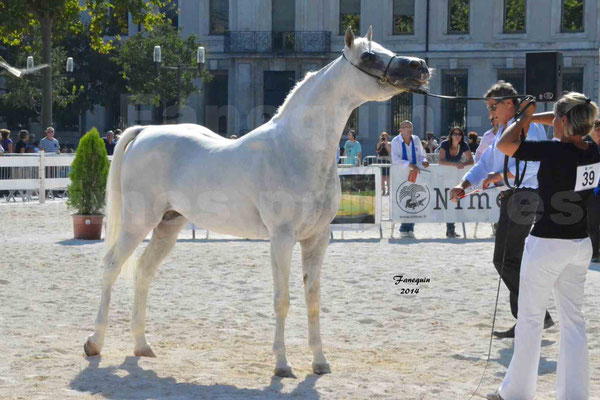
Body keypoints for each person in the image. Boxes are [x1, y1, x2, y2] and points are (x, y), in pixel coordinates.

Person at [487, 93, 598, 400]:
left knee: (531, 318)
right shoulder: (593, 149)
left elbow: (505, 144)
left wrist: (523, 117)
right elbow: (574, 120)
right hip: (580, 243)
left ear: (561, 122)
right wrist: (537, 115)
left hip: (548, 242)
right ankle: (575, 395)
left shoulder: (552, 151)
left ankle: (515, 393)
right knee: (574, 320)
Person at [449, 81, 554, 338]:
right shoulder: (501, 132)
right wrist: (463, 184)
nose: (490, 113)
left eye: (493, 106)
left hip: (525, 197)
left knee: (507, 259)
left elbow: (532, 165)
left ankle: (535, 318)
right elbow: (483, 164)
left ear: (509, 103)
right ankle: (533, 318)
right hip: (512, 198)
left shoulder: (532, 127)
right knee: (509, 259)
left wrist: (499, 175)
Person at [391, 120, 429, 238]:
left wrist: (424, 161)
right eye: (403, 127)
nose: (405, 129)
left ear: (411, 129)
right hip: (402, 174)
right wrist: (409, 164)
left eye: (408, 127)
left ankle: (411, 227)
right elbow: (395, 159)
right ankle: (403, 227)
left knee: (415, 199)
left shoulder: (416, 139)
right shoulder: (395, 141)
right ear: (400, 130)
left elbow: (422, 154)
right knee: (404, 199)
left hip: (416, 173)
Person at [438, 127, 474, 237]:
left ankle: (451, 229)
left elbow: (471, 160)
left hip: (456, 177)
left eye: (459, 134)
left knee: (455, 202)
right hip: (443, 176)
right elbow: (441, 160)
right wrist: (456, 164)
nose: (457, 136)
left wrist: (462, 164)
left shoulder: (463, 145)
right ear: (451, 135)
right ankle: (450, 229)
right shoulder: (445, 144)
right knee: (449, 203)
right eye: (455, 134)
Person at [586, 119, 600, 262]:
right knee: (592, 223)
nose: (599, 132)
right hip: (592, 192)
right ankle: (594, 252)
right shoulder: (587, 147)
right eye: (597, 129)